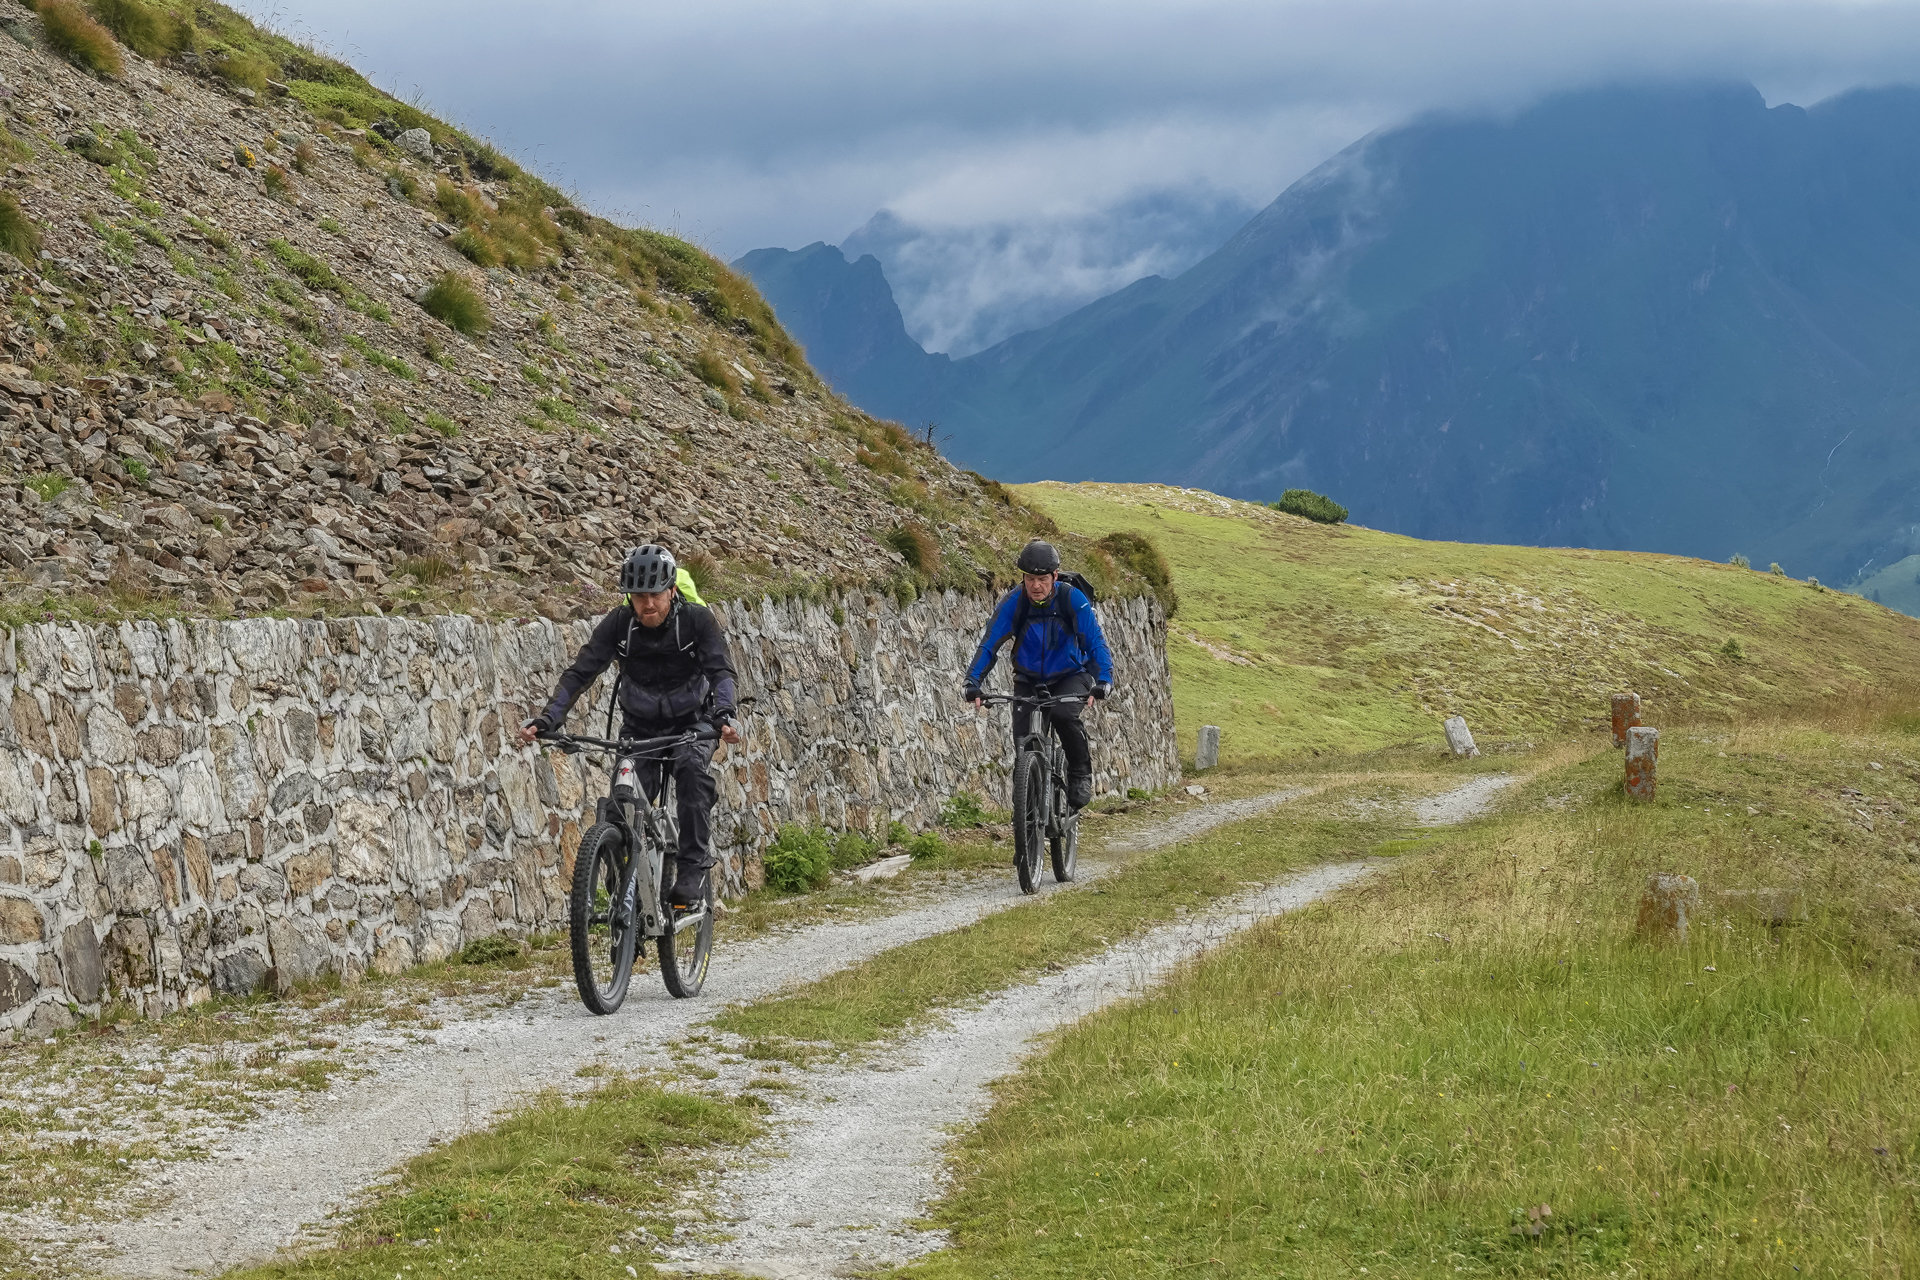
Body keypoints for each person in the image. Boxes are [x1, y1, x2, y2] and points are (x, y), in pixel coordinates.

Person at [520, 544, 740, 911]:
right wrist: (548, 718)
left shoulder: (697, 621)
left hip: (693, 724)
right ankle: (623, 883)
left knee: (691, 772)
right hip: (640, 728)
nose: (647, 604)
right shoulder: (620, 624)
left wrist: (725, 715)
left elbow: (721, 672)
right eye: (638, 596)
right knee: (623, 804)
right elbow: (580, 673)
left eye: (655, 595)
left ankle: (692, 869)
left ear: (672, 590)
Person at [963, 539, 1114, 809]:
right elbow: (989, 644)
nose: (1035, 586)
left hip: (1070, 675)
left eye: (1042, 579)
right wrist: (972, 681)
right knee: (1024, 745)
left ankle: (1080, 772)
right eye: (1030, 579)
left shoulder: (1071, 599)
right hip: (1028, 679)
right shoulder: (1014, 602)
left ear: (1055, 576)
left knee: (1063, 715)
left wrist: (1103, 680)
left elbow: (1094, 643)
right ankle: (1026, 819)